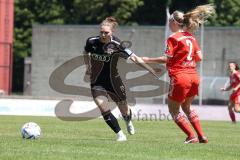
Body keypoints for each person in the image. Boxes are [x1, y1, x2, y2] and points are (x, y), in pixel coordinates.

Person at [142, 4, 215, 143]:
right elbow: (199, 57)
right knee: (187, 107)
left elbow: (165, 59)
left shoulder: (173, 38)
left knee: (173, 110)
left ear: (174, 22)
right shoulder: (191, 37)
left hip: (180, 77)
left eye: (170, 21)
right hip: (193, 76)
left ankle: (191, 136)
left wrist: (147, 59)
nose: (169, 23)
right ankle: (201, 136)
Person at [83, 17, 157, 141]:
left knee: (124, 108)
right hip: (97, 81)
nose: (103, 35)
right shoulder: (92, 41)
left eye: (106, 32)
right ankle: (120, 134)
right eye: (101, 32)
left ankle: (128, 121)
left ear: (112, 32)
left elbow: (134, 57)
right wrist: (88, 66)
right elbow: (85, 52)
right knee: (102, 107)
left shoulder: (117, 44)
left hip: (114, 81)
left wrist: (149, 68)